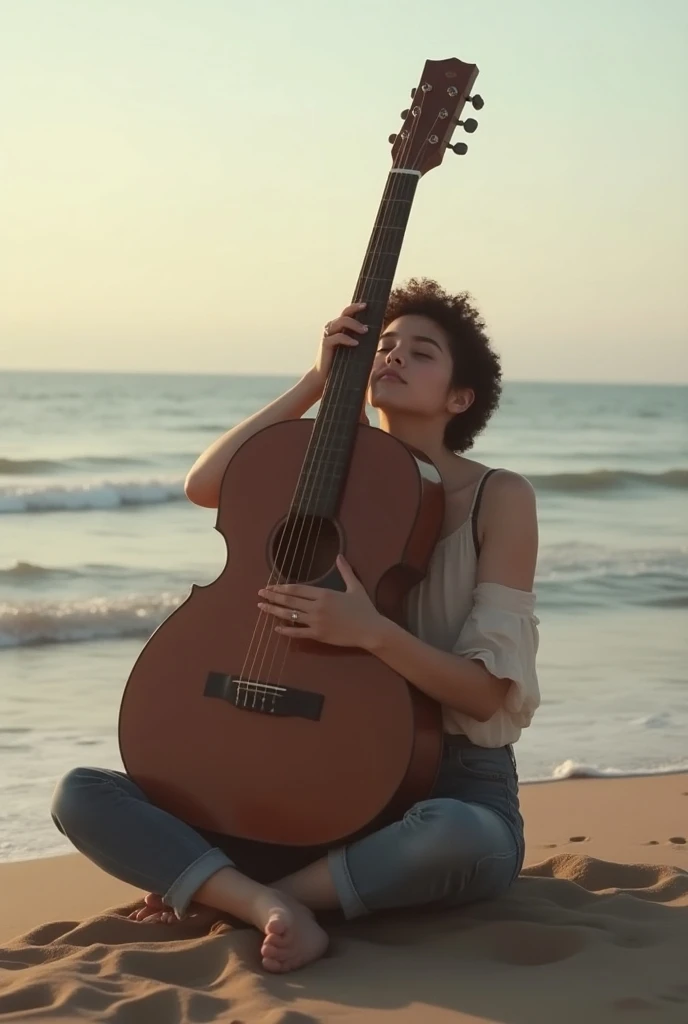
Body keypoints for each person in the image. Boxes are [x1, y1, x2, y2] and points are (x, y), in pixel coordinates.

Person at [50, 277, 540, 974]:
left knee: (458, 837)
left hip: (445, 786)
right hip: (306, 775)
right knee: (80, 792)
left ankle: (251, 896)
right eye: (385, 344)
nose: (392, 357)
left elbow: (489, 695)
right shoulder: (331, 470)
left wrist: (369, 630)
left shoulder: (499, 496)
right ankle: (269, 903)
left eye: (421, 352)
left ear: (460, 399)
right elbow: (208, 484)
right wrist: (316, 379)